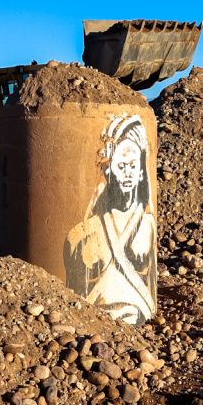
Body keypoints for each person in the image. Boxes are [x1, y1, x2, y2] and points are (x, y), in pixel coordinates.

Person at [64, 114, 156, 324]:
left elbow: (150, 282)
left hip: (139, 318)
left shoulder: (148, 225)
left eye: (133, 166)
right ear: (108, 170)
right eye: (121, 166)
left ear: (142, 171)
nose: (128, 173)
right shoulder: (81, 233)